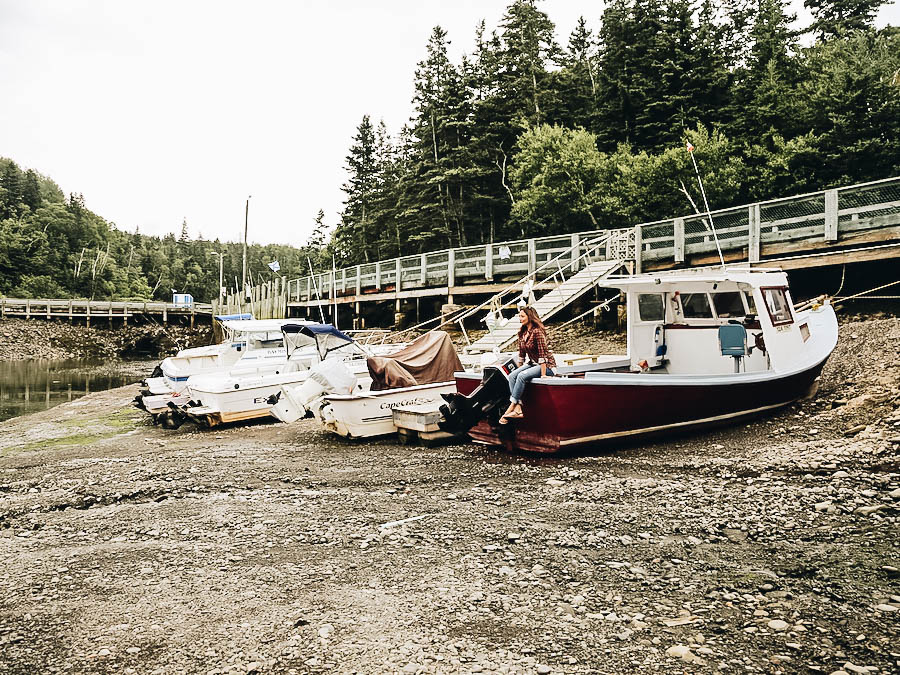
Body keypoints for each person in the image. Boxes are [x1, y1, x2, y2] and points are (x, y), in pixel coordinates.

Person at [500, 306, 556, 423]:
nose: (520, 318)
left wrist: (544, 374)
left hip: (547, 366)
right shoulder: (522, 332)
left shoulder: (537, 332)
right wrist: (519, 370)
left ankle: (511, 407)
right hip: (532, 364)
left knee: (521, 376)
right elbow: (521, 355)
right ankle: (519, 407)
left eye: (522, 316)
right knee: (512, 376)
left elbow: (543, 355)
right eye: (519, 316)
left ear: (529, 317)